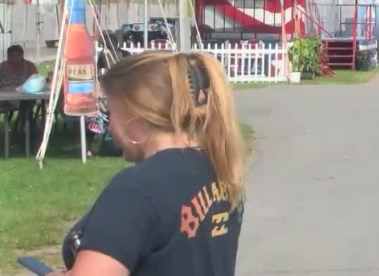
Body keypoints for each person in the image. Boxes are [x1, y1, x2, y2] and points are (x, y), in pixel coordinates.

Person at [53, 51, 245, 276]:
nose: (109, 126)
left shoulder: (136, 189)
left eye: (111, 112)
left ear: (135, 113)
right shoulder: (222, 170)